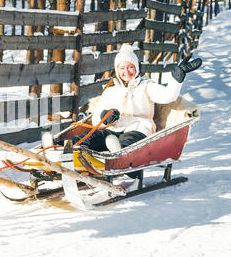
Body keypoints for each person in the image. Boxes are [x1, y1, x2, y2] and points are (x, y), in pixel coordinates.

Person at [59, 44, 202, 178]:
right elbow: (97, 118)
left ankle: (118, 155)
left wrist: (177, 78)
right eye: (122, 68)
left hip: (139, 128)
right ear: (117, 69)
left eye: (130, 67)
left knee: (126, 142)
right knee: (92, 136)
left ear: (137, 68)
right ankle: (62, 148)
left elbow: (168, 96)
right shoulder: (111, 91)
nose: (126, 72)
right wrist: (105, 116)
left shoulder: (146, 86)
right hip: (113, 128)